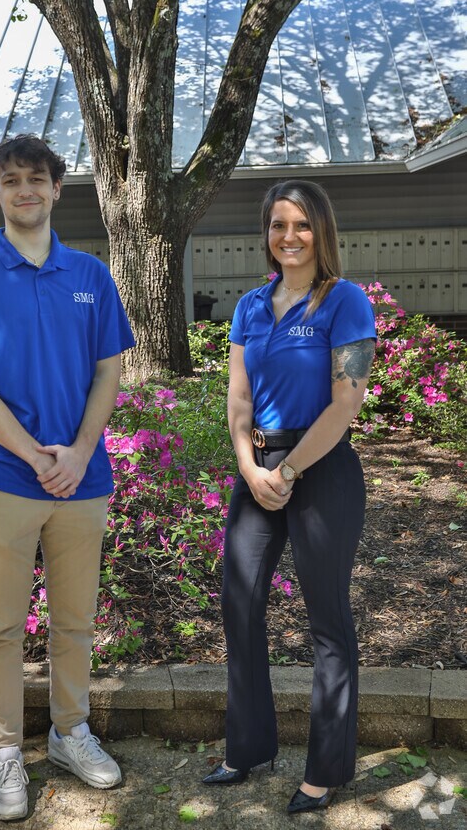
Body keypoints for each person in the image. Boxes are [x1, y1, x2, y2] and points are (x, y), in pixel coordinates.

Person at [0, 134, 135, 821]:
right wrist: (36, 455)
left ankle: (71, 732)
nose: (24, 189)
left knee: (75, 622)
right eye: (10, 179)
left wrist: (78, 450)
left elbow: (109, 369)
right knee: (3, 627)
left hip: (84, 476)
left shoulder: (91, 275)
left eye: (36, 178)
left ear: (56, 188)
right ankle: (3, 751)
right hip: (2, 478)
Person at [203, 180, 376, 814]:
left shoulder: (346, 302)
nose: (289, 237)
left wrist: (291, 471)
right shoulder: (250, 306)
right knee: (239, 605)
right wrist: (251, 468)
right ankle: (248, 748)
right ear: (267, 234)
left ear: (320, 231)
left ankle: (327, 768)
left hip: (322, 467)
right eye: (278, 225)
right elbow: (240, 398)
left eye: (301, 225)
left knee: (326, 618)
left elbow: (346, 402)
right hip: (261, 467)